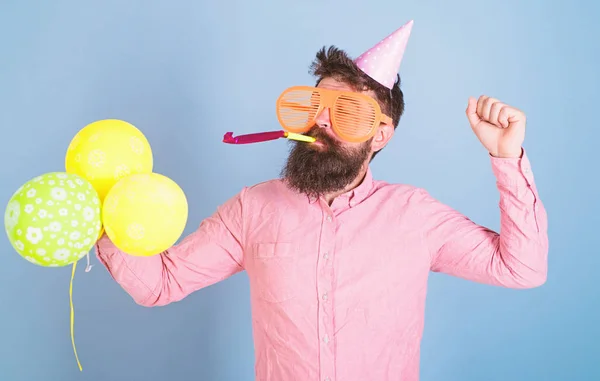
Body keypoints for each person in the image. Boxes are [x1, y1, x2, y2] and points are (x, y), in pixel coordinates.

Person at [95, 20, 548, 381]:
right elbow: (160, 283)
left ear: (381, 136)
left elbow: (522, 269)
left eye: (347, 112)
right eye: (314, 106)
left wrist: (506, 157)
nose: (322, 123)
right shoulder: (254, 209)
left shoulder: (416, 216)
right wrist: (99, 213)